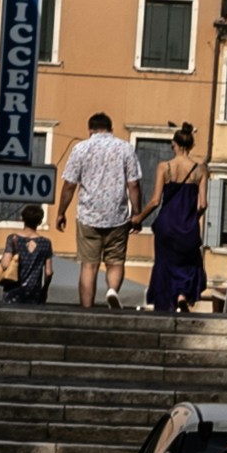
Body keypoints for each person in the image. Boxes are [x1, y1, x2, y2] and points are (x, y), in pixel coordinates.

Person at [59, 108, 140, 308]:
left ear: (90, 130)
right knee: (115, 261)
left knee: (89, 265)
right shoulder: (125, 148)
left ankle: (87, 309)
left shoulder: (80, 149)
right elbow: (134, 185)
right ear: (110, 129)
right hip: (118, 216)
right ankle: (112, 290)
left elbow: (69, 185)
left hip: (88, 216)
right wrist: (137, 213)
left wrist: (61, 212)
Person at [146, 128, 207, 314]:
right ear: (191, 145)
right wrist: (192, 218)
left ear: (176, 145)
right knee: (190, 262)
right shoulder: (200, 170)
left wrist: (139, 217)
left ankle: (166, 306)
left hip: (166, 225)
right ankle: (182, 295)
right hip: (187, 225)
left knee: (164, 265)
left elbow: (156, 200)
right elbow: (203, 204)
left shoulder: (165, 167)